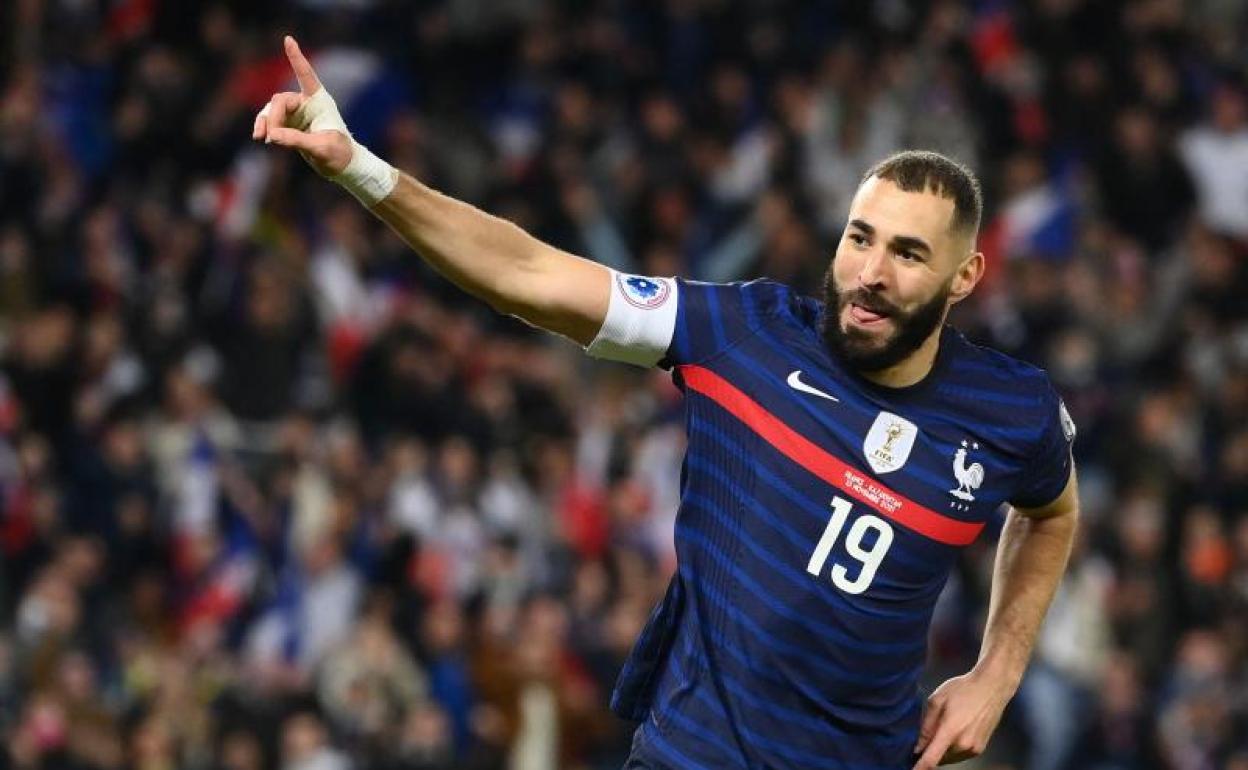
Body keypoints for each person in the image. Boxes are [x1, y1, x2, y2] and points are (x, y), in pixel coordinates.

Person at [253, 36, 1080, 770]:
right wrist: (361, 170)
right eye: (859, 238)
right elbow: (528, 275)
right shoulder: (742, 336)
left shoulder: (1010, 411)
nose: (870, 271)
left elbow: (1051, 513)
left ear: (964, 277)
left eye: (907, 253)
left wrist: (997, 671)